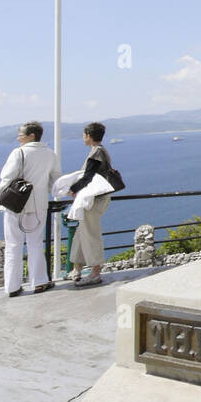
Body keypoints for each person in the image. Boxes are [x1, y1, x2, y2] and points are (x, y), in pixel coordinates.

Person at [0, 121, 61, 297]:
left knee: (13, 245)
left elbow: (6, 177)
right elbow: (55, 181)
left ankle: (12, 286)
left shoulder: (19, 153)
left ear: (31, 135)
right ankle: (39, 282)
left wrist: (1, 194)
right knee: (35, 244)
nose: (18, 138)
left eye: (21, 134)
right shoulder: (50, 154)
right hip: (38, 205)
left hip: (16, 205)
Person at [68, 123, 113, 286]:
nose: (83, 137)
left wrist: (73, 189)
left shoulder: (97, 152)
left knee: (91, 233)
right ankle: (77, 268)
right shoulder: (100, 151)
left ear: (88, 135)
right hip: (95, 199)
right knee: (81, 233)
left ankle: (95, 272)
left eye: (83, 134)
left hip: (94, 200)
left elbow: (88, 176)